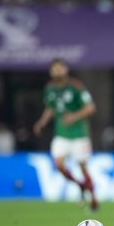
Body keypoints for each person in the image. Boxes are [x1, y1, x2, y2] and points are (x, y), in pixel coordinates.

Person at [33, 58, 98, 211]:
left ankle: (93, 197)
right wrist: (42, 122)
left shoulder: (76, 87)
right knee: (59, 165)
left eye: (60, 68)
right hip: (61, 134)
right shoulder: (49, 88)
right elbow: (50, 108)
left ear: (66, 70)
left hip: (79, 134)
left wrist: (74, 116)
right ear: (51, 71)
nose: (57, 71)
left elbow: (91, 107)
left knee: (83, 167)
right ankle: (80, 185)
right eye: (54, 69)